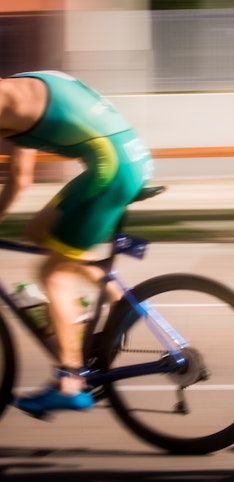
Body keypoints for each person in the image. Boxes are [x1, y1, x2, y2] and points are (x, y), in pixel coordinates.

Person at [0, 70, 154, 414]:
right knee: (37, 231)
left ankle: (70, 382)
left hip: (112, 169)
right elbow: (20, 179)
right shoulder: (19, 90)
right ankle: (116, 301)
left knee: (53, 274)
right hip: (124, 160)